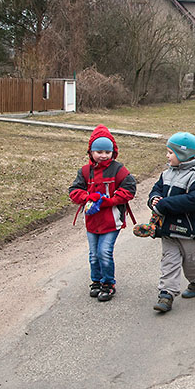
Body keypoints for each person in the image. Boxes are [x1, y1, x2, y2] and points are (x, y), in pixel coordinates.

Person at [137, 132, 195, 313]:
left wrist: (164, 205)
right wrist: (154, 199)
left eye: (170, 152)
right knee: (169, 261)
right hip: (168, 229)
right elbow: (156, 190)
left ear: (183, 154)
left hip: (189, 230)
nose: (167, 156)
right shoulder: (166, 174)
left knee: (191, 263)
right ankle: (166, 294)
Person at [69, 125, 136, 302]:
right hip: (92, 221)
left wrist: (110, 201)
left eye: (107, 151)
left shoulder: (118, 170)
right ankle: (96, 281)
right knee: (93, 254)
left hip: (111, 221)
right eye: (99, 151)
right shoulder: (85, 171)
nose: (103, 155)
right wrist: (87, 197)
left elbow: (129, 190)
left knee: (104, 252)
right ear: (90, 152)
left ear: (113, 152)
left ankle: (108, 283)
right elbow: (74, 191)